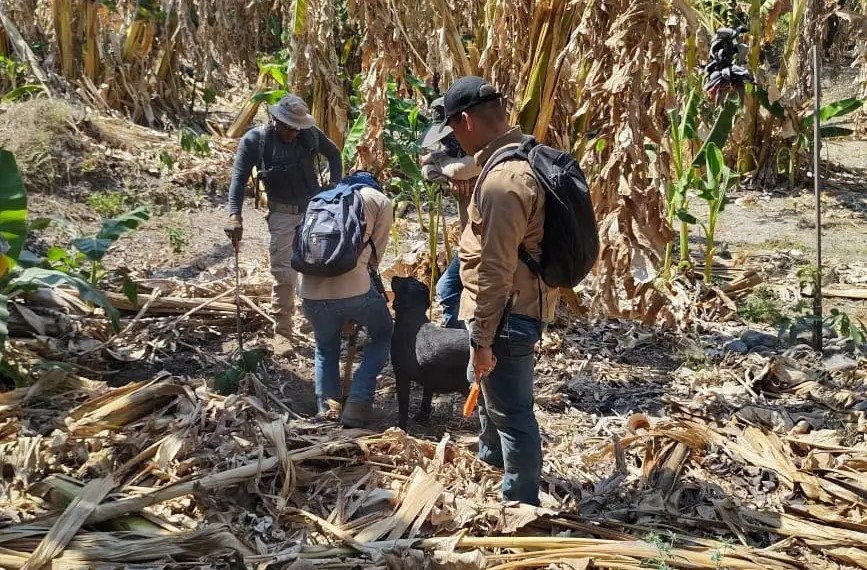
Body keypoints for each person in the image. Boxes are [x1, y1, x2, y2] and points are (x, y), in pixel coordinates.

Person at [443, 75, 559, 506]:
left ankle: (520, 506)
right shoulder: (521, 157)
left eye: (453, 128)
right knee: (492, 398)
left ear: (466, 120)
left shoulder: (500, 182)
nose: (455, 138)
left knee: (513, 415)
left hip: (507, 316)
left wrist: (482, 340)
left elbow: (495, 271)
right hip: (515, 308)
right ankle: (490, 466)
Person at [224, 94, 343, 355]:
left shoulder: (309, 134)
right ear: (275, 119)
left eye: (297, 128)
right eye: (288, 127)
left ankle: (316, 321)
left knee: (318, 267)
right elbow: (238, 179)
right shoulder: (255, 141)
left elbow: (334, 155)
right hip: (282, 214)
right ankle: (283, 332)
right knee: (284, 274)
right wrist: (235, 215)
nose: (293, 132)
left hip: (314, 209)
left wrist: (334, 187)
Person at [298, 175, 393, 428]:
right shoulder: (379, 200)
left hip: (308, 292)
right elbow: (375, 257)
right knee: (384, 333)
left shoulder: (319, 199)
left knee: (325, 345)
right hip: (354, 290)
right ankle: (358, 402)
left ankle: (326, 409)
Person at [418, 97, 481, 329]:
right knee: (449, 289)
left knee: (449, 289)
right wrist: (448, 177)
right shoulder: (459, 156)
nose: (447, 141)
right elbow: (427, 170)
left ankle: (460, 343)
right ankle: (459, 342)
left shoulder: (484, 153)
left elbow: (458, 170)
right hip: (470, 240)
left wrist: (443, 167)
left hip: (484, 243)